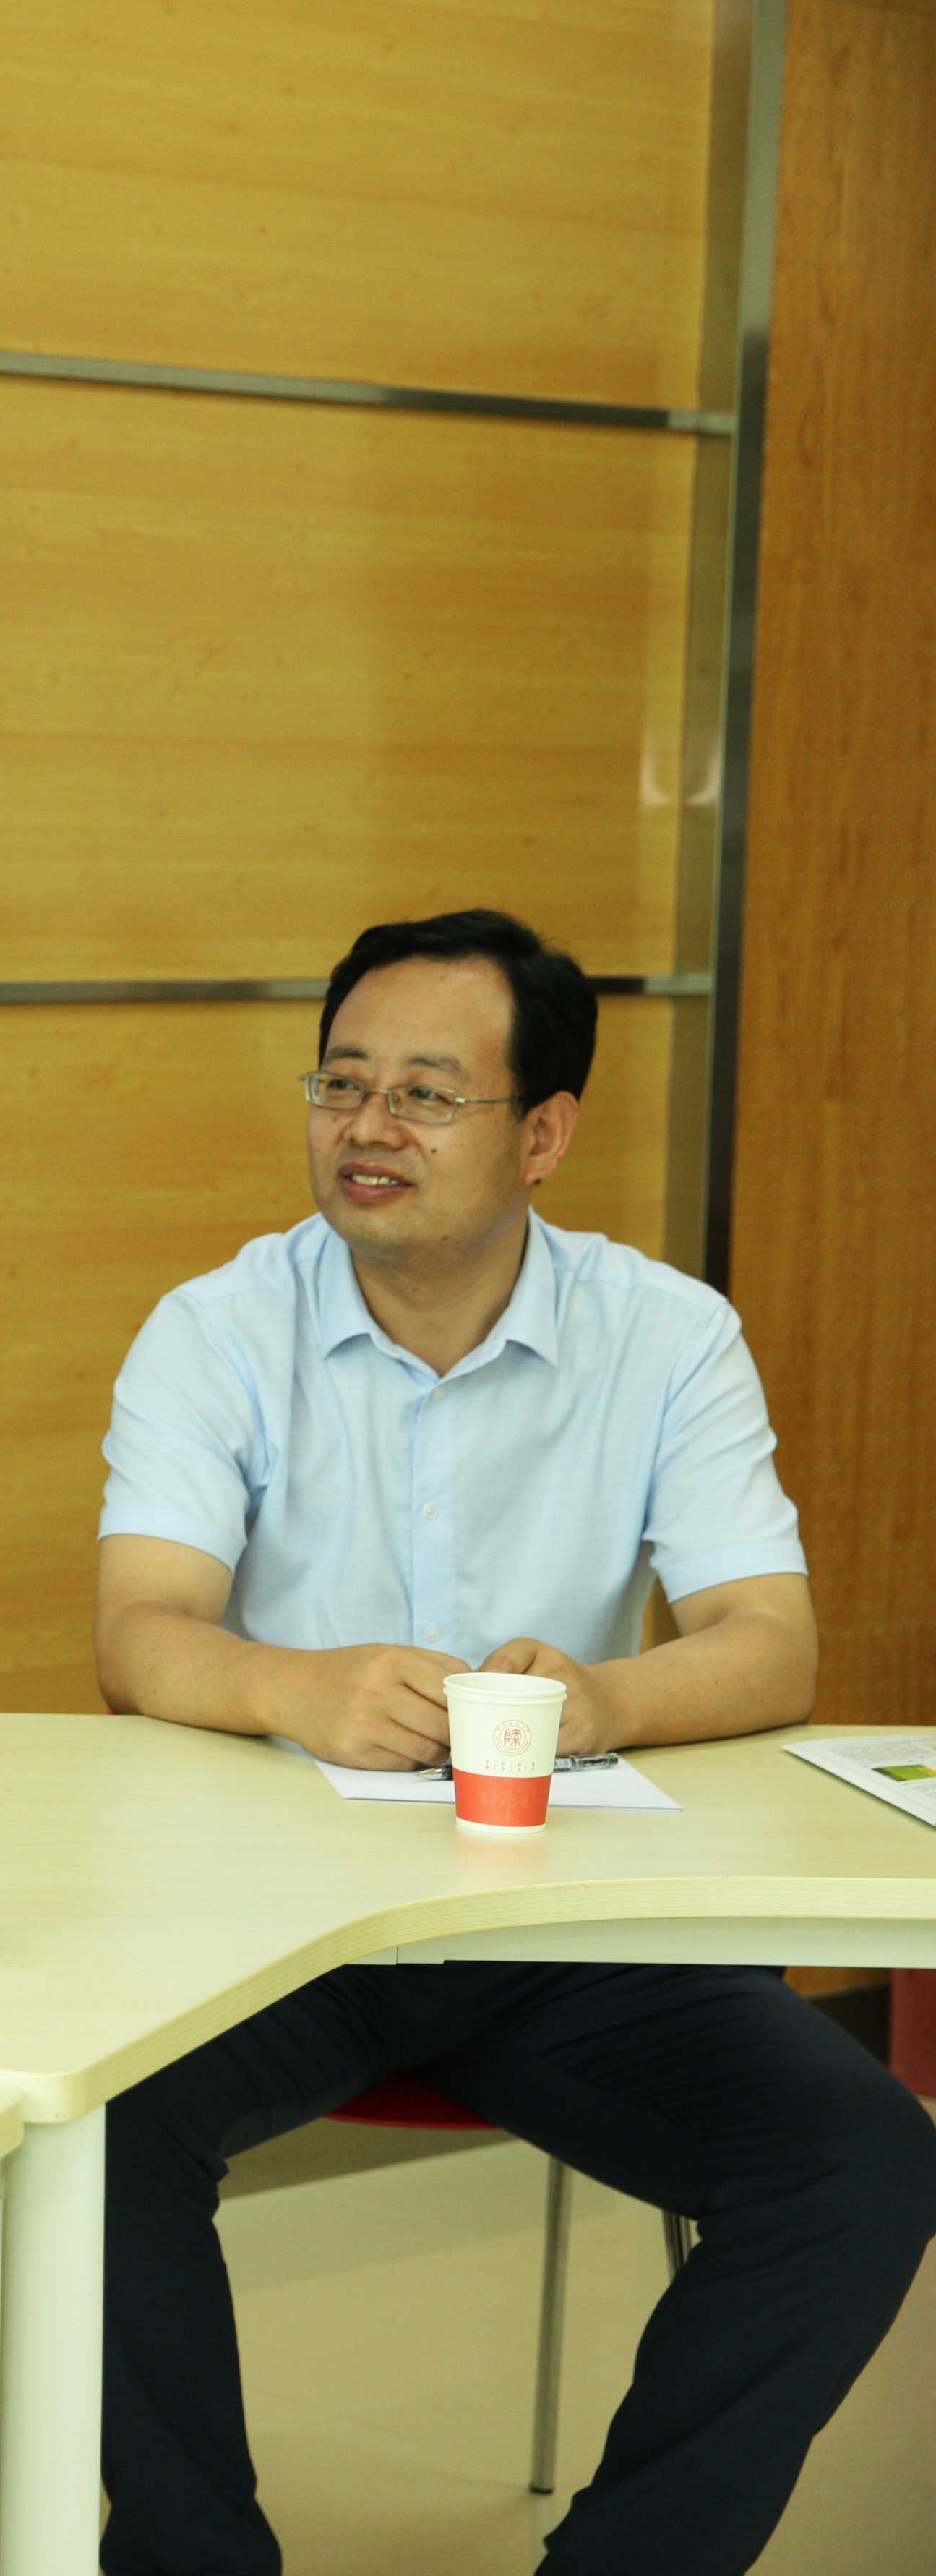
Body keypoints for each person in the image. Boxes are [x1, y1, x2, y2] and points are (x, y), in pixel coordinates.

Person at [90, 909, 936, 2574]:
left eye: (426, 1094)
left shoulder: (665, 1333)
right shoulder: (218, 1326)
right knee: (89, 2126)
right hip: (277, 1927)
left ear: (543, 1134)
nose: (368, 1128)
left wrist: (603, 1704)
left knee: (860, 2165)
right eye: (341, 1084)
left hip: (568, 1924)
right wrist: (294, 1688)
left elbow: (771, 1642)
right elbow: (139, 1632)